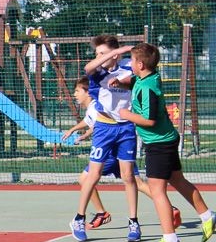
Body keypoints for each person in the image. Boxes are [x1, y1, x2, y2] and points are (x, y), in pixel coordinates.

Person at [116, 42, 214, 242]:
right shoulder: (150, 77)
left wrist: (127, 115)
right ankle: (208, 216)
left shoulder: (147, 88)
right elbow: (135, 82)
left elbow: (149, 120)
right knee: (178, 180)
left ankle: (170, 240)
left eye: (132, 61)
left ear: (140, 64)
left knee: (158, 191)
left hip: (158, 143)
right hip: (167, 139)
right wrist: (121, 84)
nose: (130, 64)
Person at [61, 76, 180, 231]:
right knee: (137, 183)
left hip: (111, 152)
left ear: (88, 92)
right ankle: (170, 208)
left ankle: (101, 213)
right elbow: (93, 123)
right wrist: (78, 132)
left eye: (77, 91)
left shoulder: (97, 105)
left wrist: (83, 132)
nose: (75, 94)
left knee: (85, 179)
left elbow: (102, 124)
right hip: (120, 147)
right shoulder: (95, 108)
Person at [69, 35, 139, 242]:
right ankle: (79, 218)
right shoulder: (97, 72)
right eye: (98, 53)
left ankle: (133, 222)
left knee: (128, 176)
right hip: (104, 128)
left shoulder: (128, 66)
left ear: (115, 54)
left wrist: (125, 79)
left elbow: (139, 74)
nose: (99, 57)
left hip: (126, 127)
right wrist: (112, 53)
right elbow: (88, 68)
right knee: (94, 173)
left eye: (103, 53)